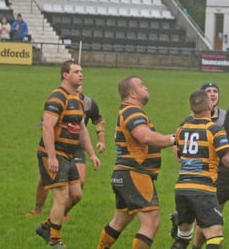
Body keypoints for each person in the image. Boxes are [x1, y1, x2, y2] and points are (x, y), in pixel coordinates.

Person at [170, 90, 229, 249]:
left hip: (182, 188)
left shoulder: (181, 129)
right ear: (210, 105)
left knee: (182, 239)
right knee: (214, 238)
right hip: (203, 189)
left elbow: (178, 154)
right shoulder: (214, 130)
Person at [97, 75, 178, 249]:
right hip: (135, 174)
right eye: (142, 86)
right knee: (151, 221)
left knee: (118, 222)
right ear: (133, 94)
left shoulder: (126, 111)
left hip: (124, 174)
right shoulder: (132, 111)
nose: (146, 87)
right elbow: (145, 136)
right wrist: (173, 139)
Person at [35, 61, 101, 248]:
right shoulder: (57, 97)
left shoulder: (79, 100)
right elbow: (47, 127)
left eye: (82, 71)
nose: (81, 75)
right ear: (65, 75)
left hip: (69, 154)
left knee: (77, 195)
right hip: (54, 154)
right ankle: (55, 241)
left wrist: (92, 154)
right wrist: (52, 157)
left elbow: (81, 130)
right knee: (62, 197)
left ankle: (46, 227)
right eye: (76, 72)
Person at [27, 83, 106, 217]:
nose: (79, 86)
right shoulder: (58, 99)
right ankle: (38, 210)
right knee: (44, 179)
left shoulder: (88, 103)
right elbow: (46, 125)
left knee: (79, 183)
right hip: (58, 146)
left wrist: (101, 141)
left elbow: (98, 121)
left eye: (81, 84)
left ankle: (61, 214)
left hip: (77, 146)